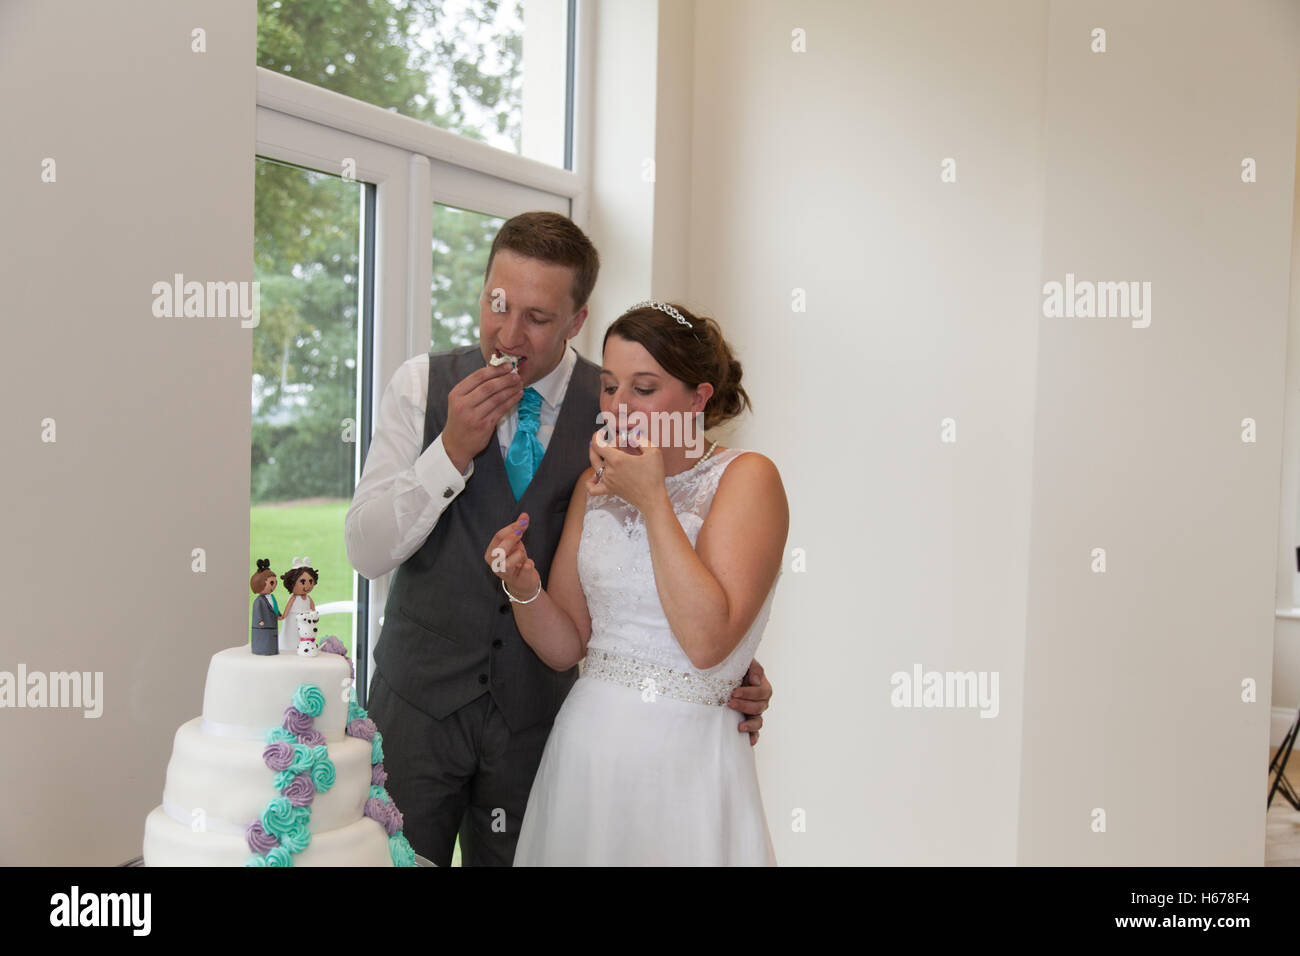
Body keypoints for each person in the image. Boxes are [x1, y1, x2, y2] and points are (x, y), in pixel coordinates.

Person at [345, 212, 774, 867]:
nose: (509, 333)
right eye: (498, 304)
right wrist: (452, 449)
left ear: (577, 321)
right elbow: (366, 552)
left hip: (540, 728)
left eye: (538, 317)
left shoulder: (617, 412)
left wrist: (723, 674)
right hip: (418, 711)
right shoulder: (420, 386)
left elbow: (695, 598)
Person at [486, 301, 787, 865]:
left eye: (643, 388)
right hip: (586, 754)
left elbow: (706, 642)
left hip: (687, 760)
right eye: (608, 385)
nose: (617, 406)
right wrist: (523, 585)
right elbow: (567, 646)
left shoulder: (748, 479)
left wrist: (652, 501)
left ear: (696, 399)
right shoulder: (592, 485)